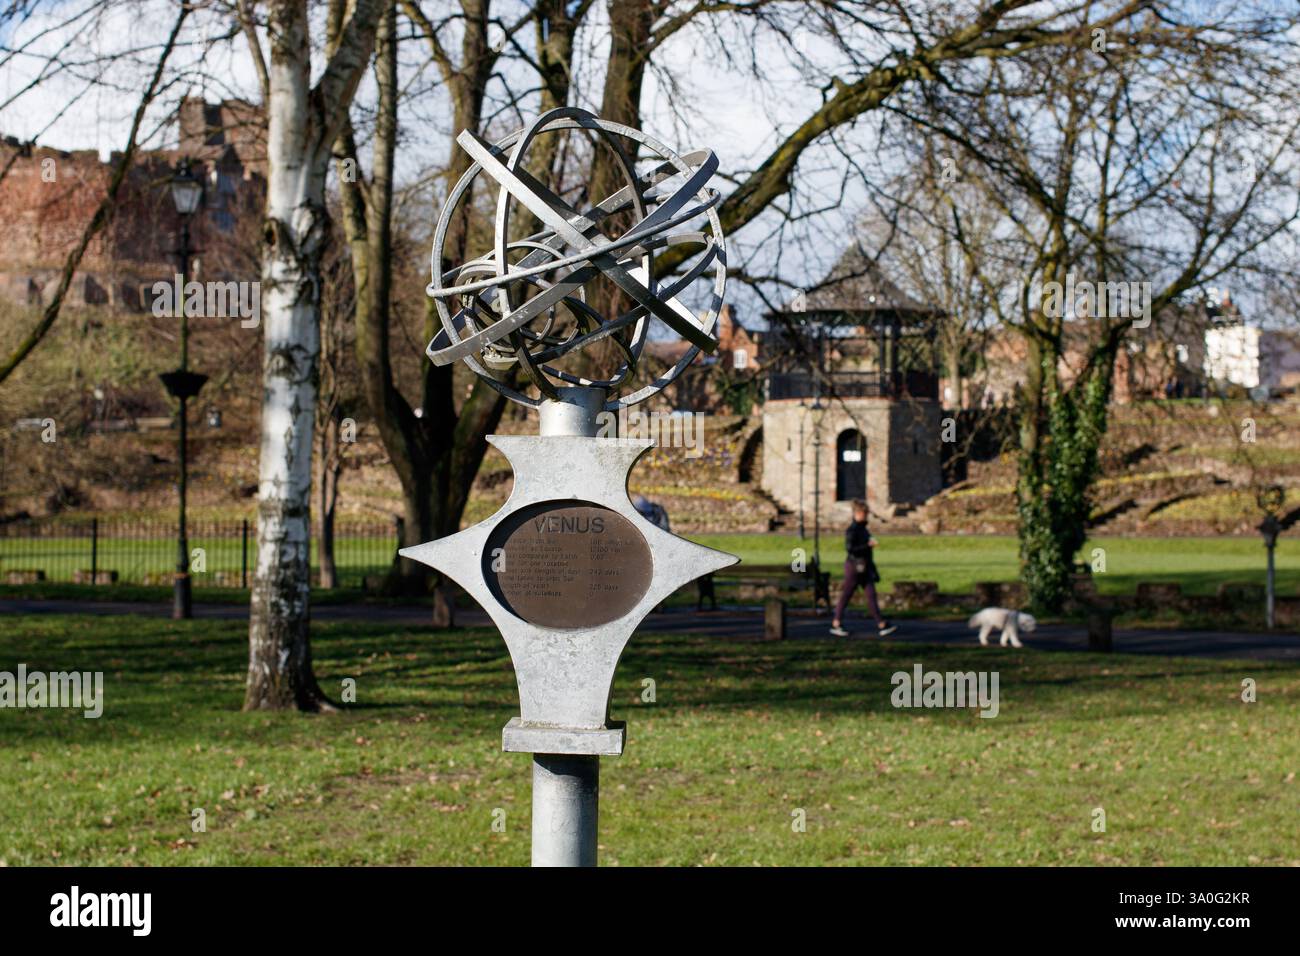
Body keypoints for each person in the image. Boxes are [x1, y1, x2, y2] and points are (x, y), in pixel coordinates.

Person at [830, 499, 896, 637]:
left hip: (864, 567)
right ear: (857, 514)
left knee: (871, 595)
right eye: (864, 514)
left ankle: (881, 624)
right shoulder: (852, 530)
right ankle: (836, 622)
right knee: (847, 595)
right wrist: (868, 545)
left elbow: (867, 554)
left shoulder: (863, 529)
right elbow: (850, 549)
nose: (866, 516)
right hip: (854, 567)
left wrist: (873, 569)